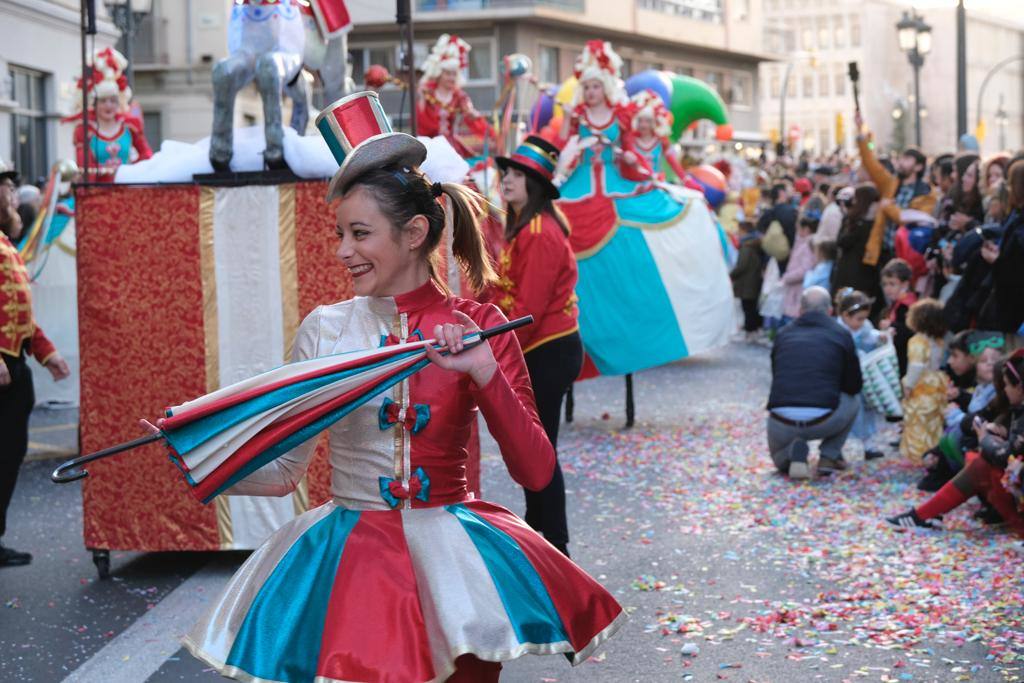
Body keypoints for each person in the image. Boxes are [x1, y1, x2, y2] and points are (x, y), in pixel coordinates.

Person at [181, 96, 623, 683]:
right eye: (340, 232)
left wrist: (484, 373)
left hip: (454, 572)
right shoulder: (325, 328)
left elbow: (537, 474)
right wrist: (204, 456)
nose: (342, 250)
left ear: (414, 232)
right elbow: (287, 471)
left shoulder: (483, 326)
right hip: (349, 570)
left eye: (359, 233)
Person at [552, 40, 734, 378]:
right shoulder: (576, 114)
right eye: (586, 87)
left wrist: (627, 155)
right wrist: (573, 140)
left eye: (595, 86)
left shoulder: (621, 115)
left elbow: (630, 151)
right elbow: (563, 144)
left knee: (668, 212)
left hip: (617, 183)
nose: (590, 92)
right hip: (579, 185)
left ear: (604, 86)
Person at [489, 135, 581, 557]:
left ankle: (556, 544)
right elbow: (505, 294)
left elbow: (528, 307)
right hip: (531, 347)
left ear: (535, 183)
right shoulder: (522, 226)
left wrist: (497, 350)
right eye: (505, 172)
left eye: (515, 174)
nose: (505, 180)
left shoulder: (541, 233)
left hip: (547, 349)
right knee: (531, 444)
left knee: (541, 448)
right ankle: (538, 529)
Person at [0, 162, 70, 567]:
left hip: (15, 364)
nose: (13, 196)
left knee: (10, 454)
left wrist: (47, 354)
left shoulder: (8, 245)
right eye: (7, 190)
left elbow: (19, 314)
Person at [888, 352, 1024, 536]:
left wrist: (985, 438)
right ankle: (925, 514)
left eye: (1007, 385)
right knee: (975, 457)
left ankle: (924, 515)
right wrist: (994, 431)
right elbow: (970, 422)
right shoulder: (1008, 405)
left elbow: (1004, 455)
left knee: (980, 463)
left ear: (1020, 388)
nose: (1005, 390)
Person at [767, 286, 863, 479]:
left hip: (781, 419)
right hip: (824, 418)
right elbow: (854, 385)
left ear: (800, 310)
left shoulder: (783, 334)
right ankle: (829, 456)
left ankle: (792, 453)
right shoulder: (841, 334)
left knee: (780, 461)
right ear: (830, 311)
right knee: (853, 401)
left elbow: (777, 374)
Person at [853, 110, 935, 270]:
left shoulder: (926, 194)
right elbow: (871, 163)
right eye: (902, 158)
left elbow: (906, 219)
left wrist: (887, 206)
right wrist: (860, 131)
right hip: (884, 251)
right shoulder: (891, 183)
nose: (901, 162)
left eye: (907, 159)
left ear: (918, 166)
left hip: (906, 255)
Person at [70, 47, 152, 182]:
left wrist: (133, 172)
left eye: (113, 101)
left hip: (127, 188)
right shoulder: (84, 131)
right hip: (98, 192)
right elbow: (85, 169)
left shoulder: (130, 127)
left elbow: (146, 155)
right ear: (94, 104)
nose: (109, 106)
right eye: (103, 101)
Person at [416, 34, 494, 159]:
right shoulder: (427, 93)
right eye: (448, 74)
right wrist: (421, 98)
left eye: (454, 74)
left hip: (451, 147)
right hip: (429, 146)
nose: (452, 78)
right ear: (439, 73)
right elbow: (421, 122)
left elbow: (470, 113)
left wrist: (473, 115)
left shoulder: (459, 96)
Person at [835, 289, 886, 460]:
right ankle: (836, 448)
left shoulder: (865, 327)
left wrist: (880, 337)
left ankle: (868, 444)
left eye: (864, 318)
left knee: (866, 410)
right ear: (845, 316)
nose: (862, 322)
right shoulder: (837, 329)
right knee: (844, 413)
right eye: (859, 319)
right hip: (844, 379)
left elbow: (870, 337)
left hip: (864, 377)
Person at [976, 159, 1024, 334]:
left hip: (1014, 311)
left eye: (1011, 184)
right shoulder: (1016, 218)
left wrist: (997, 261)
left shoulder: (1019, 225)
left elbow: (1016, 273)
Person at [899, 298, 948, 464]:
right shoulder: (938, 341)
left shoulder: (917, 341)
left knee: (917, 421)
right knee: (933, 421)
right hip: (937, 382)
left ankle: (918, 455)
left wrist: (908, 385)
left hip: (922, 384)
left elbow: (916, 366)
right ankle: (932, 453)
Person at [832, 183, 882, 309]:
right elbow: (842, 242)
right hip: (854, 276)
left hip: (861, 278)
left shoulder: (870, 224)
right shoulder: (855, 222)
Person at [878, 258, 917, 377]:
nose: (887, 289)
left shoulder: (906, 306)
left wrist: (891, 326)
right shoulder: (897, 303)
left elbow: (909, 331)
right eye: (885, 284)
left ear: (905, 284)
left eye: (892, 284)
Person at [780, 212, 817, 322]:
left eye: (798, 228)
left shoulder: (808, 245)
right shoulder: (804, 243)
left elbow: (805, 269)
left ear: (806, 229)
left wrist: (787, 277)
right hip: (795, 289)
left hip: (798, 290)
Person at [731, 220, 764, 341]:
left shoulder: (746, 246)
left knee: (748, 307)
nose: (737, 234)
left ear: (744, 231)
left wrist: (731, 274)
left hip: (746, 283)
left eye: (739, 231)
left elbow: (742, 266)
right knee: (752, 306)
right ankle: (753, 329)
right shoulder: (754, 244)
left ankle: (750, 330)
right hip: (753, 281)